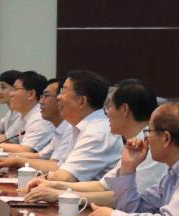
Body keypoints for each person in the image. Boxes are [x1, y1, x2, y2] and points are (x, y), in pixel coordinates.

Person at [25, 79, 164, 205]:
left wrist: (61, 195)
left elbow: (127, 198)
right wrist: (53, 185)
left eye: (109, 107)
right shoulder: (135, 142)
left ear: (124, 109)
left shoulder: (150, 146)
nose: (106, 114)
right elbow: (102, 186)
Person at [82, 102, 179, 216]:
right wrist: (128, 169)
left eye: (148, 131)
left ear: (166, 138)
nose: (146, 139)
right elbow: (134, 211)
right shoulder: (172, 174)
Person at [0, 71, 54, 154]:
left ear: (31, 94)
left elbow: (26, 150)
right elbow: (9, 140)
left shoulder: (40, 118)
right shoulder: (23, 116)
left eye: (15, 89)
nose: (11, 94)